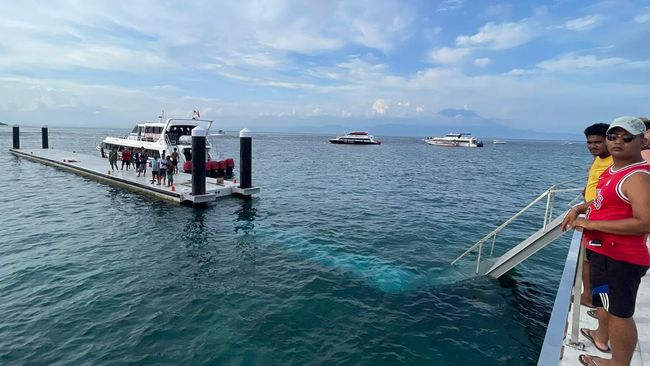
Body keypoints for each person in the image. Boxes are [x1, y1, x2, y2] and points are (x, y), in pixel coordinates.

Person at [562, 116, 650, 366]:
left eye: (627, 137)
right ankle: (601, 338)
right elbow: (604, 202)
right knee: (606, 305)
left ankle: (618, 364)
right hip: (604, 253)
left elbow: (645, 222)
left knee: (620, 314)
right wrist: (580, 208)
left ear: (642, 141)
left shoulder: (638, 177)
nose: (617, 142)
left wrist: (590, 224)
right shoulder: (615, 169)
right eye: (612, 136)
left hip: (620, 258)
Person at [580, 123, 613, 310]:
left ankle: (592, 299)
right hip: (591, 215)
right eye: (589, 142)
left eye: (598, 142)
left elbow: (608, 196)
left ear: (608, 140)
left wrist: (580, 209)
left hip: (600, 219)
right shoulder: (598, 159)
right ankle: (589, 296)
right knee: (587, 260)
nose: (593, 146)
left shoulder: (613, 163)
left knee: (594, 262)